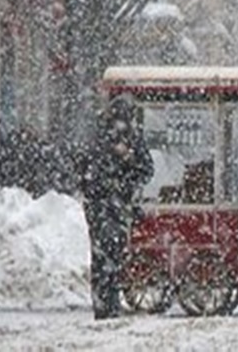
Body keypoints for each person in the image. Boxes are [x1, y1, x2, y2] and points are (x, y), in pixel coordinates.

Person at [78, 95, 153, 320]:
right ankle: (105, 303)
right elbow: (85, 169)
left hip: (113, 204)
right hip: (105, 203)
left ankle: (106, 302)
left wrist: (128, 162)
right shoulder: (102, 138)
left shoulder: (128, 138)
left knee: (109, 255)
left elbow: (146, 169)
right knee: (106, 254)